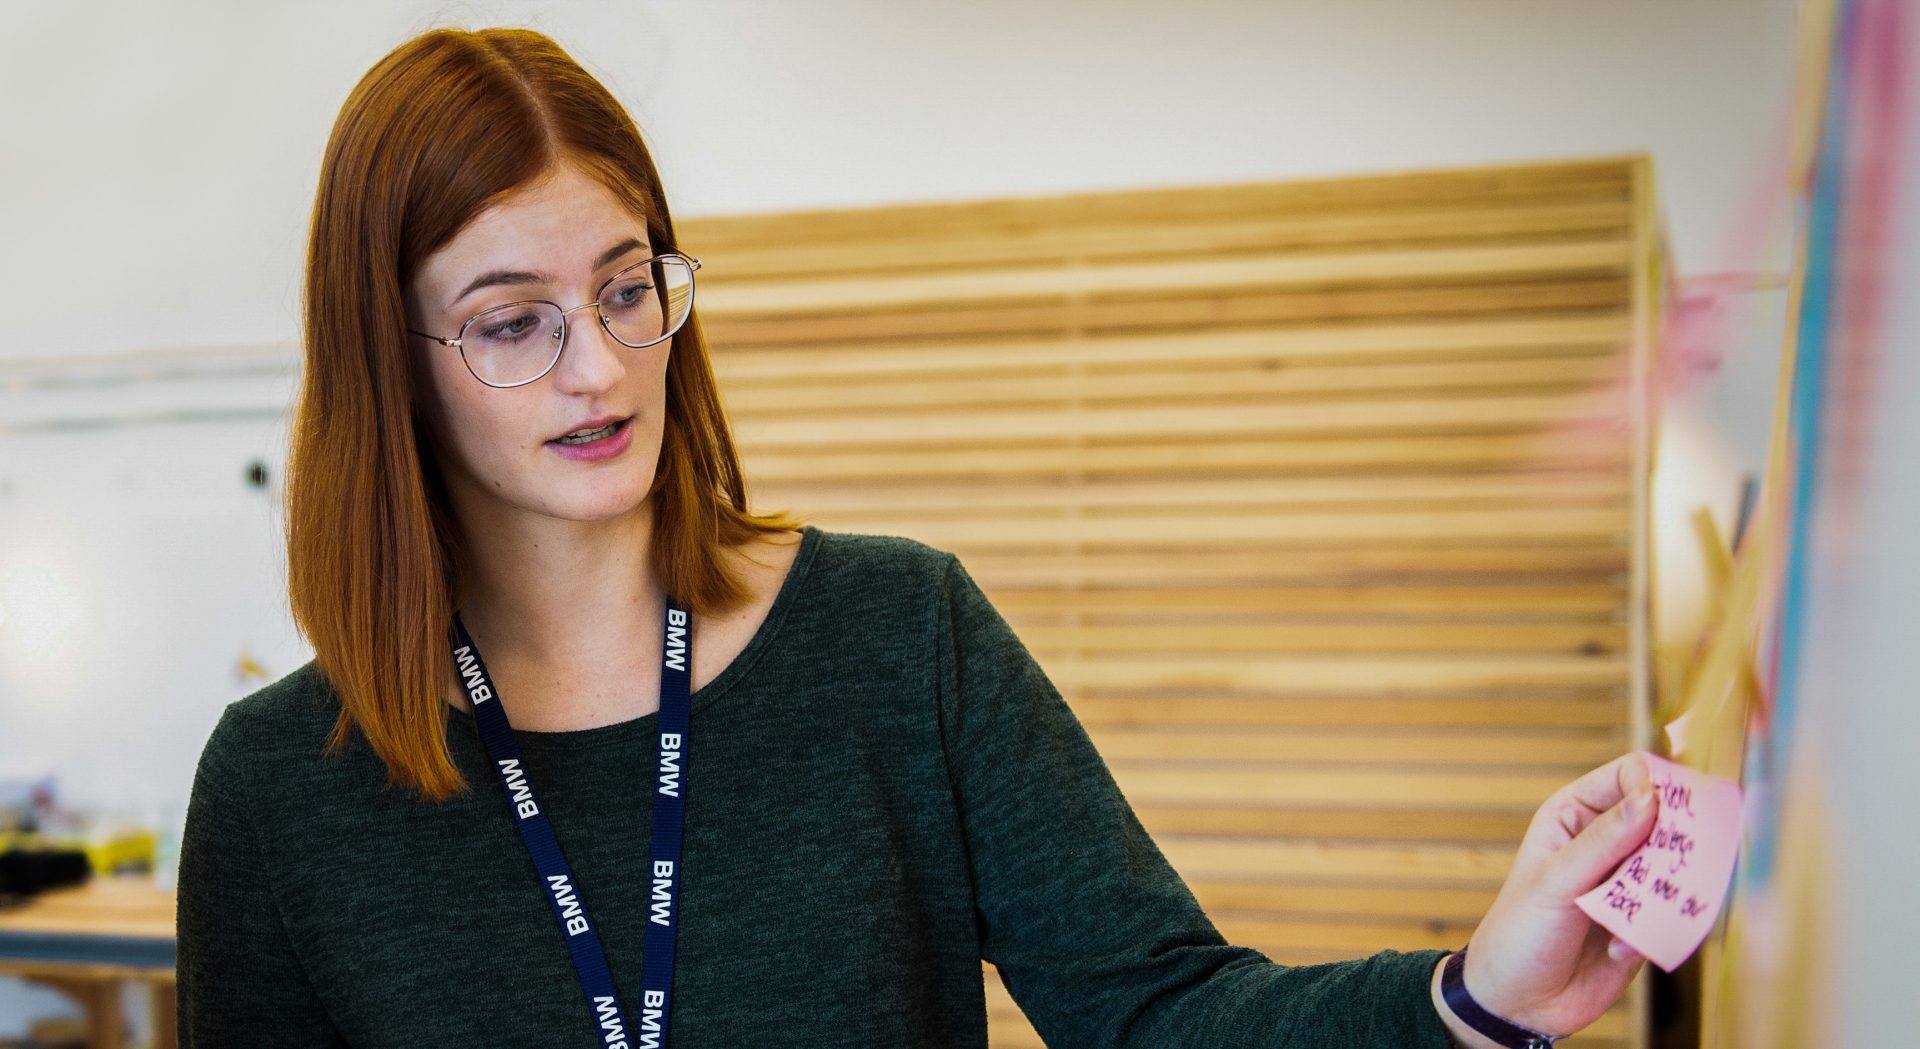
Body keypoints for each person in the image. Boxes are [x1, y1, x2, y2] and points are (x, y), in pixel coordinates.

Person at [175, 25, 1659, 1049]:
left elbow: (1161, 1012)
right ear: (390, 358)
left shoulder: (902, 638)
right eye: (516, 321)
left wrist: (1474, 993)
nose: (599, 364)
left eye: (630, 289)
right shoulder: (275, 790)